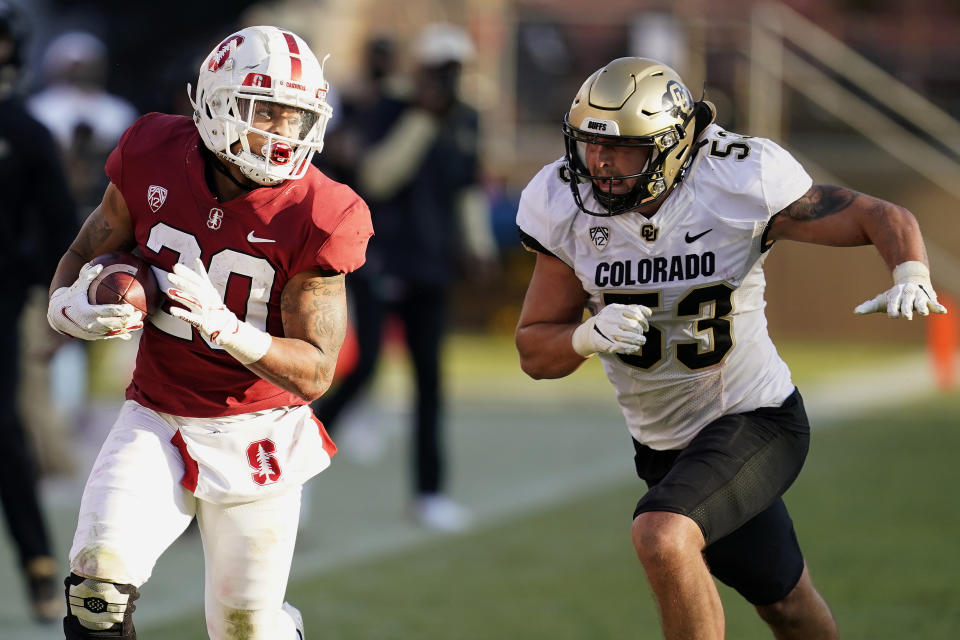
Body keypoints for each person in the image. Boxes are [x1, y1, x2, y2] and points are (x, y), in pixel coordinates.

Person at [514, 57, 947, 640]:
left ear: (671, 146)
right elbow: (534, 351)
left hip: (755, 417)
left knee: (662, 535)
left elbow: (880, 215)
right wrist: (583, 335)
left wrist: (910, 271)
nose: (601, 164)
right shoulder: (563, 201)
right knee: (787, 605)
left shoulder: (737, 177)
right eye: (591, 144)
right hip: (666, 446)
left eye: (624, 149)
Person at [46, 25, 372, 640]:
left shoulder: (320, 211)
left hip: (259, 434)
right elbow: (88, 249)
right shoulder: (152, 151)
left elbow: (317, 370)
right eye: (264, 112)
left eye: (295, 118)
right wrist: (68, 308)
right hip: (157, 417)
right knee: (96, 591)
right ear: (215, 102)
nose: (281, 135)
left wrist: (230, 331)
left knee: (244, 630)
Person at [311, 23, 496, 532]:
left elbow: (465, 188)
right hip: (384, 256)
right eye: (439, 69)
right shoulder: (390, 109)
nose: (447, 80)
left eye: (454, 70)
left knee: (431, 383)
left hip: (432, 263)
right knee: (364, 367)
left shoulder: (466, 119)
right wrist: (420, 120)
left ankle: (430, 492)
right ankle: (297, 459)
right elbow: (377, 175)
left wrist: (477, 245)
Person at [0, 0, 77, 624]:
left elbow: (59, 232)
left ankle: (40, 569)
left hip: (3, 303)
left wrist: (54, 305)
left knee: (3, 434)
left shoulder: (25, 132)